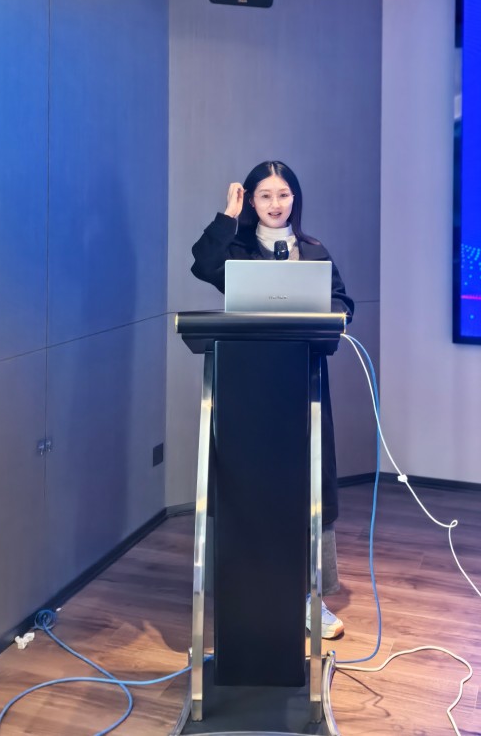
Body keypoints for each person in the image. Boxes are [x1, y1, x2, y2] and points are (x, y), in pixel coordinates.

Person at [191, 160, 354, 638]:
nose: (276, 204)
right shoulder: (236, 249)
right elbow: (202, 264)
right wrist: (228, 216)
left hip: (302, 387)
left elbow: (343, 303)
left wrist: (327, 315)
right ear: (251, 200)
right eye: (265, 195)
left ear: (294, 199)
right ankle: (250, 593)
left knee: (305, 490)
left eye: (283, 194)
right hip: (246, 390)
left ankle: (309, 597)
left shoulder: (314, 251)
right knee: (248, 490)